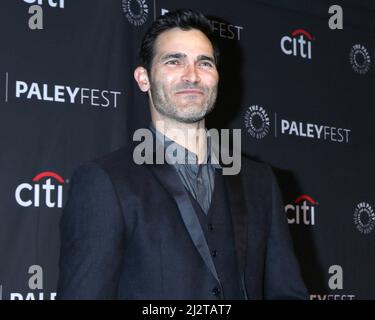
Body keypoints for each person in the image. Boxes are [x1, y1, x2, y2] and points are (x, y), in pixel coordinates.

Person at [57, 8, 308, 300]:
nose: (192, 76)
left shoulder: (260, 180)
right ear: (143, 78)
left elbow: (287, 293)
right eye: (174, 61)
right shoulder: (104, 181)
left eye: (204, 63)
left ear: (216, 77)